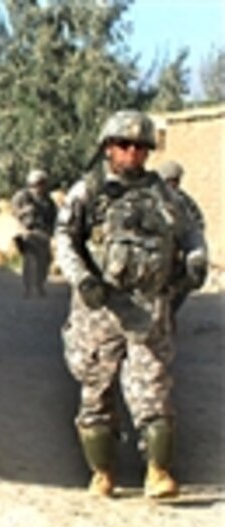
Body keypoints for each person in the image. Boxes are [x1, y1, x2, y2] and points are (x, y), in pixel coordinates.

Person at [56, 110, 207, 499]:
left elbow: (192, 232)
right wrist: (83, 279)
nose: (133, 153)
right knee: (96, 389)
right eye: (125, 145)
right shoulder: (87, 191)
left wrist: (195, 259)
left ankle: (158, 472)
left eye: (141, 147)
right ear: (108, 147)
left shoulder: (166, 196)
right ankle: (103, 473)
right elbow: (66, 239)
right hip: (99, 308)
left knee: (153, 388)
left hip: (148, 306)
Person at [157, 160, 206, 317]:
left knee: (184, 281)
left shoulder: (184, 202)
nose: (173, 184)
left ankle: (170, 313)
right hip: (155, 251)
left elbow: (197, 224)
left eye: (175, 181)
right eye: (169, 180)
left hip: (177, 252)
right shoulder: (150, 196)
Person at [12, 169, 58, 298]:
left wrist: (51, 233)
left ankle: (39, 286)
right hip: (28, 233)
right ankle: (27, 288)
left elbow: (53, 216)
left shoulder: (48, 201)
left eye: (42, 183)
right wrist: (25, 212)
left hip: (43, 234)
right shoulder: (23, 196)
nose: (39, 187)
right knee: (29, 262)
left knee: (44, 262)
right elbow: (15, 212)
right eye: (37, 183)